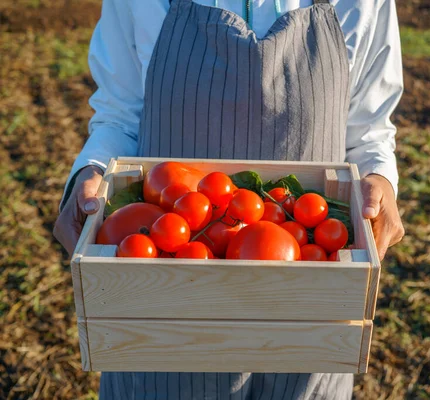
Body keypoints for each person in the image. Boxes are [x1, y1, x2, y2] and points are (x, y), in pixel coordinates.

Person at [53, 0, 405, 398]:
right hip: (160, 314)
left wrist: (380, 179)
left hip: (306, 316)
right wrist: (91, 171)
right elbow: (119, 114)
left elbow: (369, 125)